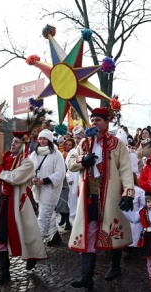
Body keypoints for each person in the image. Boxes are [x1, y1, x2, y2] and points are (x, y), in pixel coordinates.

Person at [67, 107, 136, 289]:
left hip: (111, 194)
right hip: (89, 194)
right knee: (89, 230)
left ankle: (115, 266)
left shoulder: (117, 144)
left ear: (107, 122)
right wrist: (82, 160)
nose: (94, 123)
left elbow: (125, 169)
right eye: (93, 120)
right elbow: (70, 162)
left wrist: (128, 192)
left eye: (98, 120)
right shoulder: (83, 144)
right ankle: (86, 275)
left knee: (112, 228)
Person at [0, 131, 47, 287]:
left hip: (16, 205)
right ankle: (4, 272)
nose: (13, 144)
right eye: (13, 141)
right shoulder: (3, 159)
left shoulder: (27, 162)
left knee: (26, 235)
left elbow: (15, 177)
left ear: (23, 146)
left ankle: (32, 256)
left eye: (17, 142)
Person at [30, 129, 66, 247]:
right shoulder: (34, 154)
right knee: (47, 211)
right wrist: (33, 178)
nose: (42, 141)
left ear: (49, 140)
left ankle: (38, 241)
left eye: (44, 138)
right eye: (40, 138)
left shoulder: (56, 154)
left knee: (44, 213)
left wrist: (44, 181)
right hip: (38, 188)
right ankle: (55, 236)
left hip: (50, 188)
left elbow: (60, 172)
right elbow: (29, 168)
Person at [66, 126, 86, 222]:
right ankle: (73, 224)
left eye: (78, 138)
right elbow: (68, 169)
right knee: (73, 202)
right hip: (74, 182)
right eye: (75, 138)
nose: (76, 140)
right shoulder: (71, 152)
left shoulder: (87, 150)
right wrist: (69, 179)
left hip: (83, 180)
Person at [57, 138, 75, 231]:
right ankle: (62, 217)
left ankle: (68, 221)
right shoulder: (60, 154)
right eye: (66, 144)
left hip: (69, 180)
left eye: (70, 145)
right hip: (61, 179)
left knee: (66, 201)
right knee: (60, 201)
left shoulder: (72, 154)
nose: (67, 146)